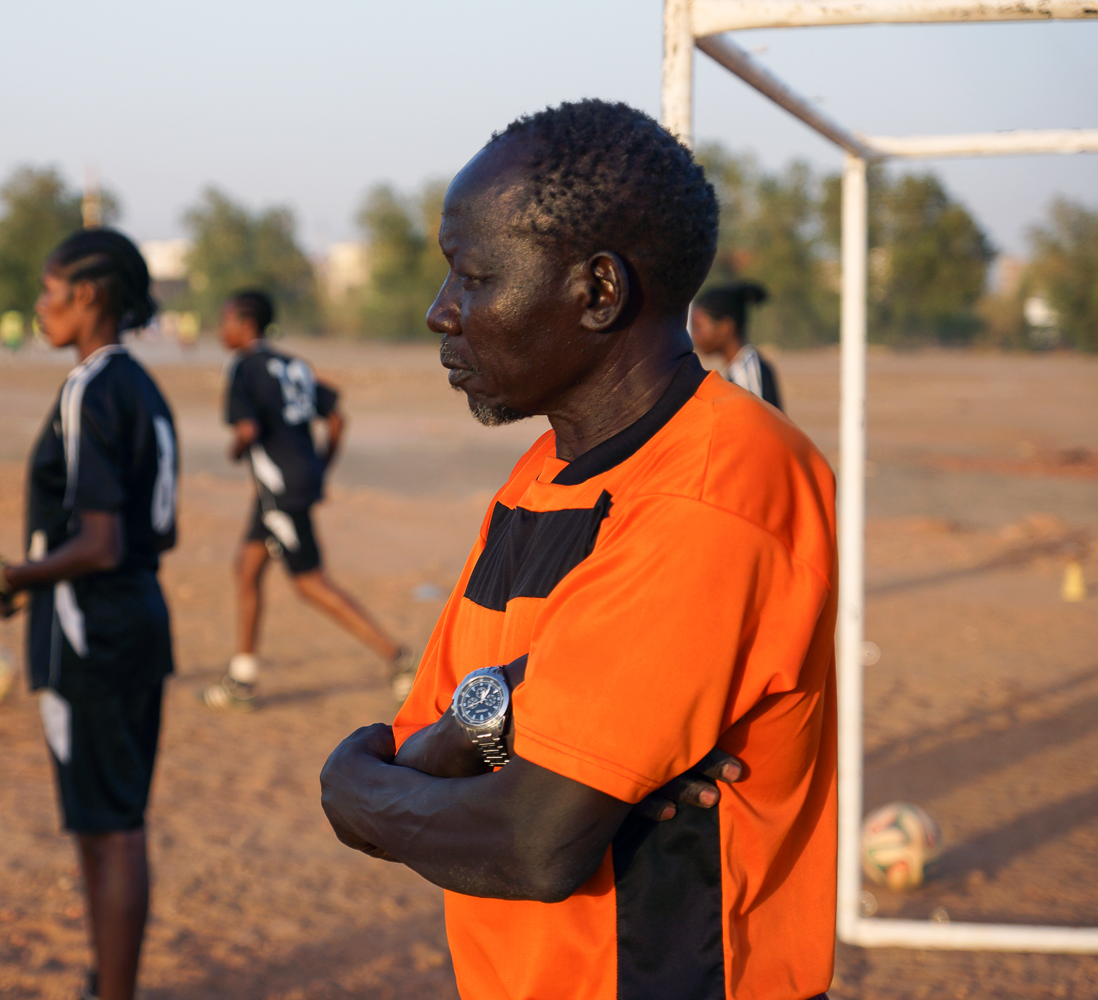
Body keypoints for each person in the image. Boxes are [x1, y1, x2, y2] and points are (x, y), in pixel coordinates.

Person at [320, 100, 838, 1000]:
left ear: (599, 291)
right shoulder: (542, 474)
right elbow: (423, 744)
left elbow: (532, 839)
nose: (442, 314)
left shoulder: (721, 484)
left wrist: (352, 792)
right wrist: (513, 712)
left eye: (473, 277)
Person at [0, 228, 177, 1000]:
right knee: (111, 820)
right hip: (133, 617)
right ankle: (108, 978)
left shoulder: (90, 388)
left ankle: (112, 990)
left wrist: (12, 572)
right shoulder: (140, 385)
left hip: (92, 629)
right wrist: (23, 583)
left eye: (48, 293)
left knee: (108, 829)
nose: (38, 308)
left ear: (89, 297)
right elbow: (115, 535)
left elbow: (100, 542)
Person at [200, 290, 416, 712]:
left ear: (246, 325)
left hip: (279, 490)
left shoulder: (244, 368)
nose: (219, 329)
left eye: (225, 320)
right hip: (284, 486)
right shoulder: (292, 364)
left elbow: (245, 431)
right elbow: (336, 416)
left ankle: (399, 659)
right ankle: (242, 679)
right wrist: (321, 466)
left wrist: (236, 451)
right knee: (246, 570)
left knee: (309, 583)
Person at [690, 280, 784, 410]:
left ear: (725, 327)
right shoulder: (739, 368)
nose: (694, 336)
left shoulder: (746, 374)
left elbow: (757, 427)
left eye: (698, 327)